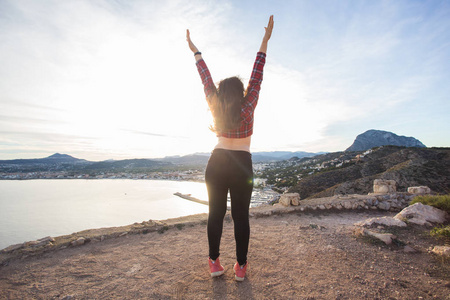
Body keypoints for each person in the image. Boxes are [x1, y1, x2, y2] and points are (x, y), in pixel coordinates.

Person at [186, 15, 274, 281]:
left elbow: (206, 80)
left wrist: (196, 52)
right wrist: (265, 39)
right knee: (240, 217)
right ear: (242, 92)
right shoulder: (248, 106)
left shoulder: (215, 106)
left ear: (222, 94)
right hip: (241, 164)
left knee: (215, 214)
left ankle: (214, 263)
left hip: (217, 162)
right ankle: (241, 267)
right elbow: (257, 76)